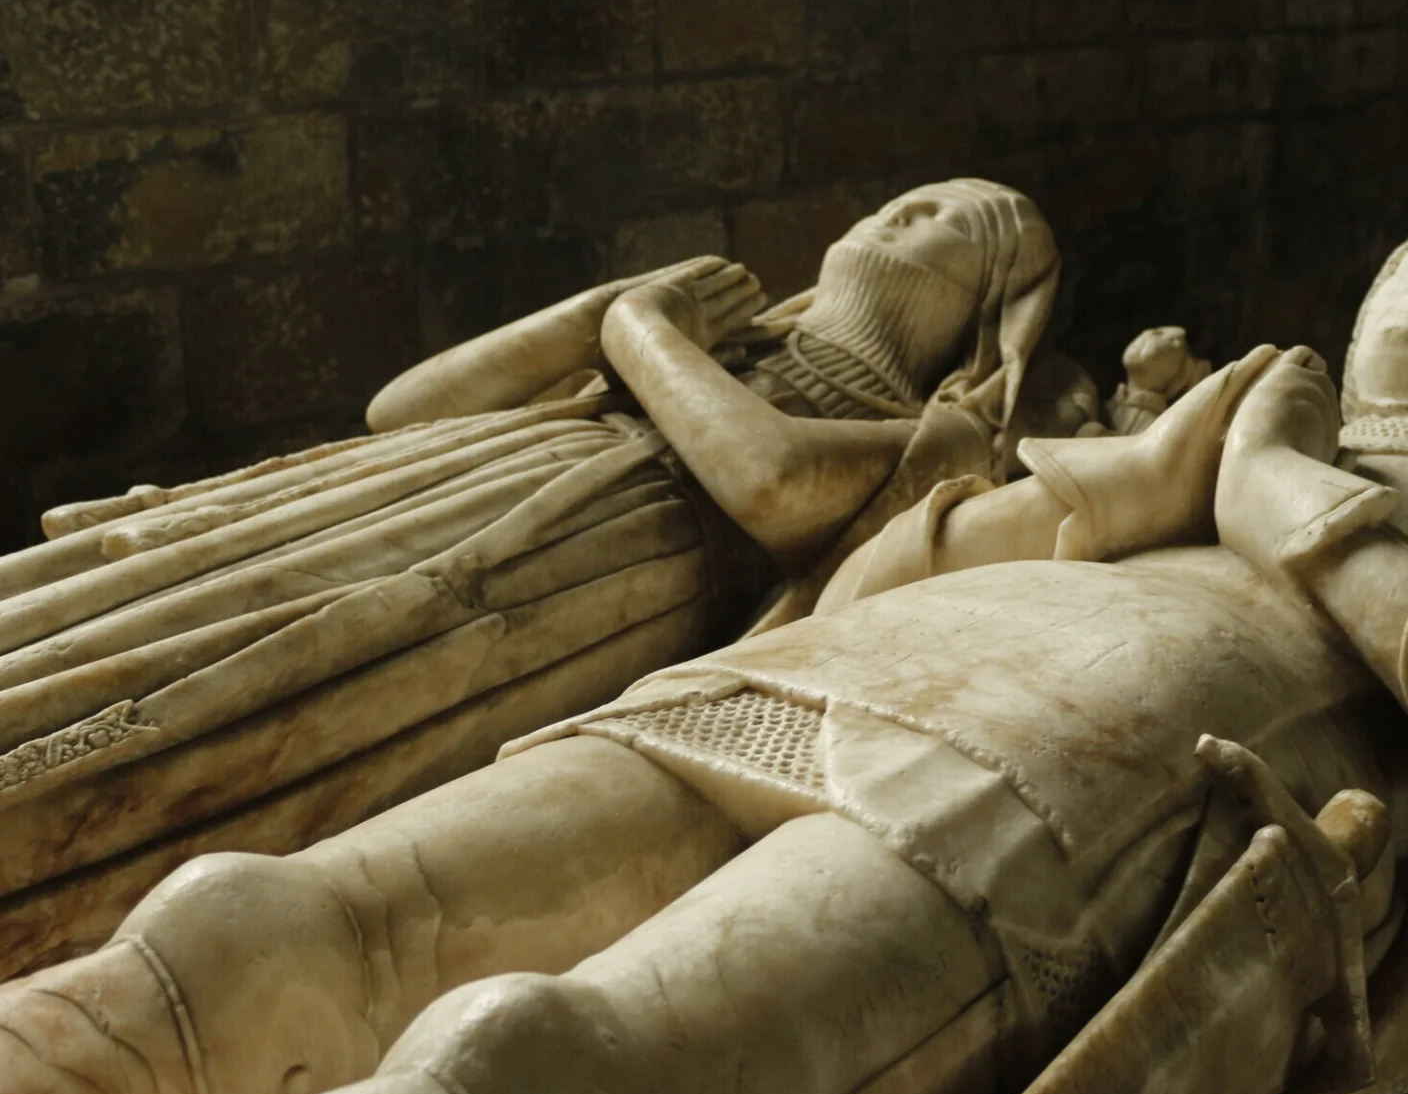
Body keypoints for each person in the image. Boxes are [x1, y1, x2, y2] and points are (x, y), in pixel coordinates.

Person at [0, 211, 1408, 1094]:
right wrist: (1140, 481)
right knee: (247, 926)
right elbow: (920, 535)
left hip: (1071, 780)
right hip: (852, 665)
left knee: (537, 1066)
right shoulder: (1244, 400)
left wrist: (1276, 488)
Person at [0, 180, 1064, 979]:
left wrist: (637, 327)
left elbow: (769, 477)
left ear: (981, 311)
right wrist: (594, 308)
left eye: (940, 220)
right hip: (441, 484)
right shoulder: (713, 336)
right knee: (170, 596)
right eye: (896, 199)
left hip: (572, 573)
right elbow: (402, 409)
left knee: (257, 697)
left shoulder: (915, 435)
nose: (892, 216)